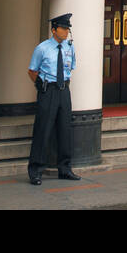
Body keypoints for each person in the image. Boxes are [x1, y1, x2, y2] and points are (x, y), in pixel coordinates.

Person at [27, 13, 80, 185]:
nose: (66, 32)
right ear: (54, 30)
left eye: (67, 29)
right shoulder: (42, 48)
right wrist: (42, 86)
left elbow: (70, 67)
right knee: (43, 129)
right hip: (48, 90)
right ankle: (36, 171)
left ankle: (65, 169)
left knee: (65, 130)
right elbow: (32, 71)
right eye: (64, 28)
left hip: (64, 89)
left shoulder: (69, 47)